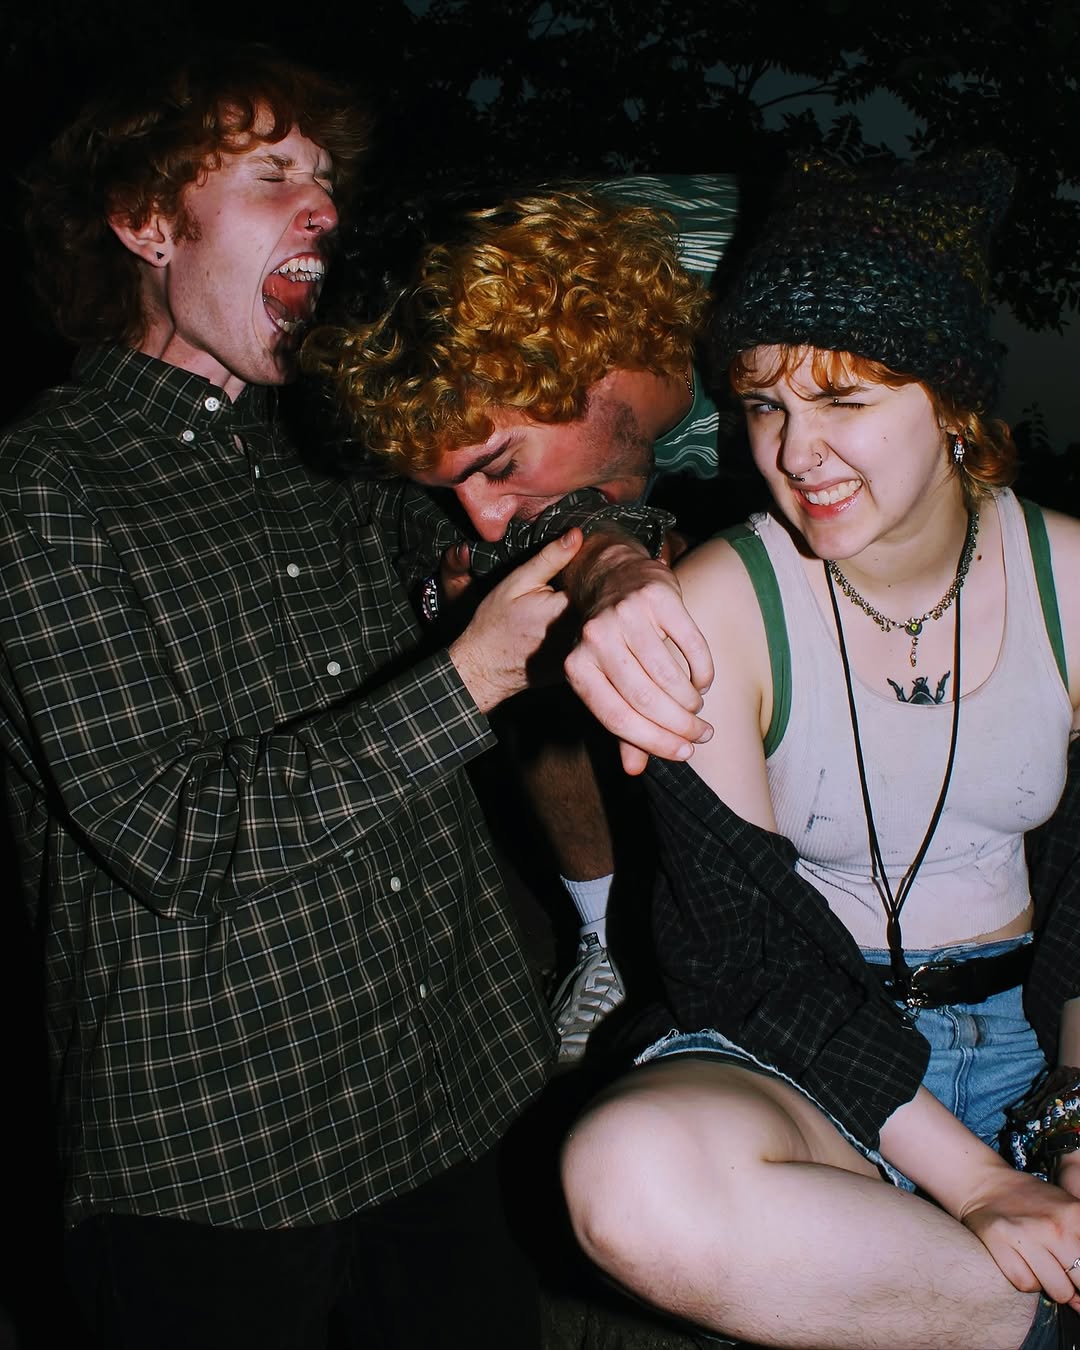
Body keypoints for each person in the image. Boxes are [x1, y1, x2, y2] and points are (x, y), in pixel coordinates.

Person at [0, 42, 587, 1350]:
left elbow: (496, 542)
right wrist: (470, 675)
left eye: (327, 177)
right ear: (147, 221)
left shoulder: (325, 440)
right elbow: (169, 832)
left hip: (447, 1078)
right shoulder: (44, 488)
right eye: (272, 175)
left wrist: (596, 534)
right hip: (223, 1155)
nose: (323, 207)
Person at [560, 151, 1080, 1350]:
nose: (797, 453)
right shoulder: (719, 606)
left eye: (845, 400)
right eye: (765, 404)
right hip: (802, 1046)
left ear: (953, 403)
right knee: (632, 1178)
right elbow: (743, 957)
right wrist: (981, 1186)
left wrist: (1071, 1124)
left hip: (1040, 1029)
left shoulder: (1070, 583)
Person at [305, 177, 736, 1060]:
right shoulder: (537, 433)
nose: (489, 516)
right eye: (455, 488)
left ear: (591, 351)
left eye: (500, 465)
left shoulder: (752, 296)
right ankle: (602, 939)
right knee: (528, 611)